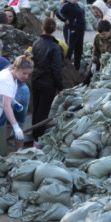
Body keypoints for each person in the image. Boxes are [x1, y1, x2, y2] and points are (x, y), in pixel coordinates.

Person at [30, 18, 63, 148]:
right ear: (54, 29)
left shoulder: (36, 43)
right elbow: (56, 69)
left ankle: (33, 136)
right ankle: (37, 140)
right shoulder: (55, 47)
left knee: (36, 109)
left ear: (42, 28)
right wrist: (60, 87)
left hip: (35, 80)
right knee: (43, 112)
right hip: (48, 84)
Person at [56, 0, 86, 69]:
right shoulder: (67, 5)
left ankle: (76, 69)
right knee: (70, 48)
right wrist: (65, 20)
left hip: (79, 31)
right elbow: (58, 12)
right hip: (71, 30)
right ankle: (66, 66)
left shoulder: (77, 5)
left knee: (79, 50)